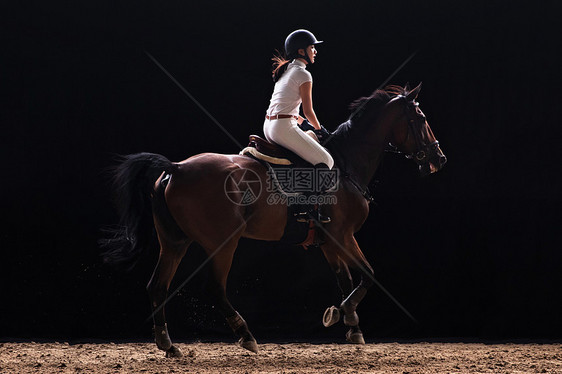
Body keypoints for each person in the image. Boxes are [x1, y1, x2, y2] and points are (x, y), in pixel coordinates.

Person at [264, 29, 334, 224]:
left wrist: (313, 129)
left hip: (270, 125)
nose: (315, 51)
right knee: (326, 161)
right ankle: (305, 208)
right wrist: (321, 129)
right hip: (282, 127)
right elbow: (309, 111)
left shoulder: (286, 71)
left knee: (310, 137)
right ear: (302, 51)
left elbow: (294, 112)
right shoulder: (304, 74)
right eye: (312, 47)